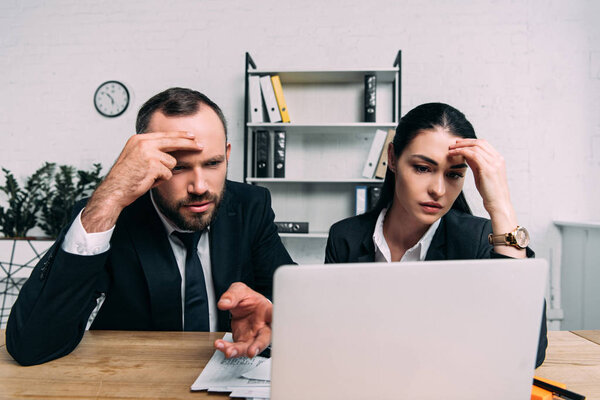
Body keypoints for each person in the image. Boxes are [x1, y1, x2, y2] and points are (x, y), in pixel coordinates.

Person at [7, 87, 292, 366]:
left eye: (213, 163)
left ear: (227, 154)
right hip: (132, 378)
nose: (199, 187)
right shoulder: (110, 215)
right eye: (178, 167)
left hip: (226, 372)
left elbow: (295, 301)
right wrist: (108, 199)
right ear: (145, 162)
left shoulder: (250, 205)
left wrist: (271, 312)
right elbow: (32, 346)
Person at [325, 102, 547, 367]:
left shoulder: (479, 240)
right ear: (393, 158)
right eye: (422, 168)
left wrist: (500, 204)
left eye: (454, 174)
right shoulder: (345, 236)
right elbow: (332, 339)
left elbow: (527, 353)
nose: (439, 190)